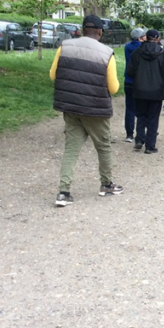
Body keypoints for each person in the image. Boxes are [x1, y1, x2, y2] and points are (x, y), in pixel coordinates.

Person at [50, 14, 123, 207]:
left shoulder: (64, 47)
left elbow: (52, 75)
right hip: (96, 109)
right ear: (100, 32)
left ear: (82, 30)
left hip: (71, 106)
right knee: (103, 146)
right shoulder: (107, 53)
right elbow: (114, 88)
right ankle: (106, 184)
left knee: (71, 148)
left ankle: (64, 192)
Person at [126, 29, 164, 154]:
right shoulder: (163, 55)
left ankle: (139, 139)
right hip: (156, 90)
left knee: (141, 115)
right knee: (153, 118)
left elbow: (129, 71)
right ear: (157, 39)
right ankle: (150, 145)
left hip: (139, 89)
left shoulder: (136, 53)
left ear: (146, 38)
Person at [123, 27, 145, 142]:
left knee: (129, 108)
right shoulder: (142, 49)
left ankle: (129, 134)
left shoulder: (127, 47)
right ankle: (142, 132)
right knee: (142, 108)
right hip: (139, 81)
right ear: (140, 38)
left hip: (128, 80)